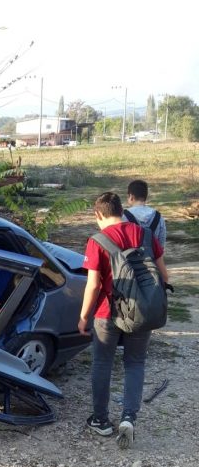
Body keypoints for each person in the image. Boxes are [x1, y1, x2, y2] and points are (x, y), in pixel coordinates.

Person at [78, 192, 169, 448]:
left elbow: (93, 285)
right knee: (135, 363)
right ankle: (129, 417)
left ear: (98, 214)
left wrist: (84, 317)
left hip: (108, 314)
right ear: (121, 209)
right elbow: (164, 275)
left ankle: (101, 420)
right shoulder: (146, 235)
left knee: (102, 363)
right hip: (141, 313)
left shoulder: (97, 241)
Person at [125, 179, 167, 248]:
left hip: (130, 257)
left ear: (131, 197)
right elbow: (161, 244)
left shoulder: (124, 216)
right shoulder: (158, 217)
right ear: (145, 197)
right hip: (152, 257)